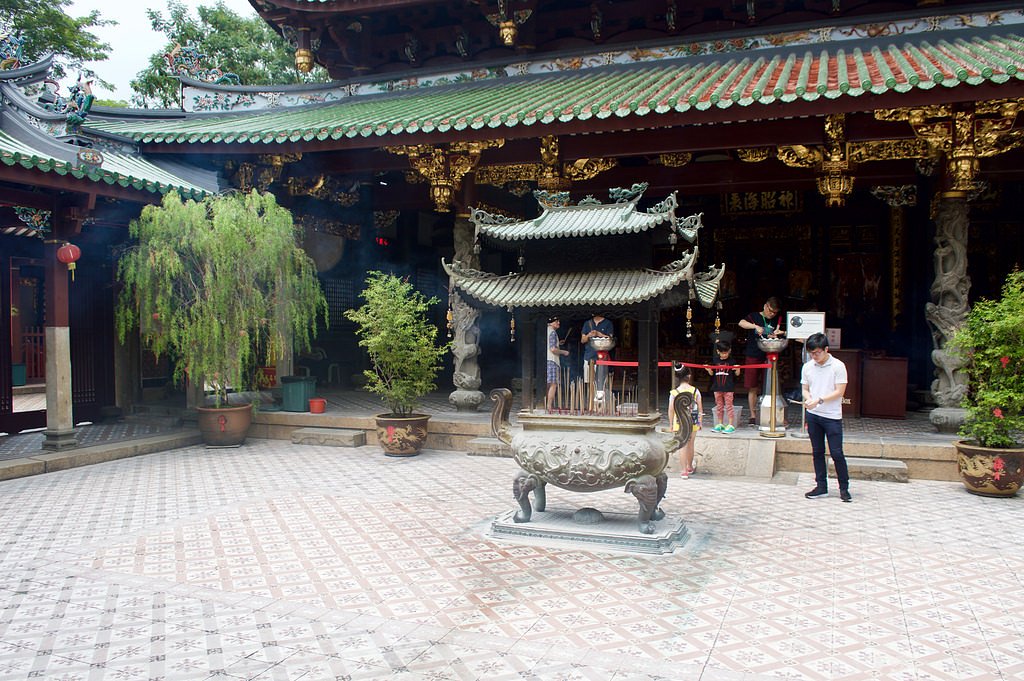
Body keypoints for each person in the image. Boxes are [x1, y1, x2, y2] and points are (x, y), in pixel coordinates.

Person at [801, 332, 851, 502]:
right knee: (817, 452)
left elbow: (839, 391)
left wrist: (819, 400)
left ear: (826, 349)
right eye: (811, 353)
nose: (814, 356)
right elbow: (805, 388)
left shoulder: (838, 366)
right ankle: (821, 486)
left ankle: (844, 488)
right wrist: (809, 399)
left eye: (817, 353)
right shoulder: (808, 367)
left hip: (832, 416)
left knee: (837, 453)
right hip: (813, 415)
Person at [738, 296, 785, 426]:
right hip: (753, 354)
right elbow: (741, 323)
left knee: (771, 386)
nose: (772, 314)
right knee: (752, 386)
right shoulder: (754, 316)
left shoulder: (777, 319)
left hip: (770, 355)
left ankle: (771, 414)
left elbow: (789, 332)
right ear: (765, 306)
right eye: (770, 311)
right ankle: (753, 415)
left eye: (775, 312)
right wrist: (755, 326)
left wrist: (780, 332)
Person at [668, 363, 702, 478]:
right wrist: (700, 422)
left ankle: (683, 471)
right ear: (689, 376)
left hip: (679, 422)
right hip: (693, 421)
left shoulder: (674, 393)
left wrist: (671, 424)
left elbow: (671, 410)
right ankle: (689, 466)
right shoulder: (695, 391)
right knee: (691, 444)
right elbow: (700, 409)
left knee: (682, 445)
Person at [706, 340, 741, 433]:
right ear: (718, 351)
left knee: (729, 406)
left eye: (726, 353)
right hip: (717, 387)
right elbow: (711, 374)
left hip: (728, 387)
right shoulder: (715, 360)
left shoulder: (732, 361)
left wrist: (738, 369)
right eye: (722, 353)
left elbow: (737, 374)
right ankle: (720, 424)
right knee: (719, 406)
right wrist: (709, 370)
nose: (724, 355)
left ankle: (730, 424)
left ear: (729, 351)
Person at [581, 313, 614, 395]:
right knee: (589, 381)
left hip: (602, 357)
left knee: (601, 381)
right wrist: (589, 335)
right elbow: (582, 340)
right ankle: (591, 398)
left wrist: (599, 334)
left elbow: (610, 340)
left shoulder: (608, 323)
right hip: (588, 356)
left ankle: (601, 398)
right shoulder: (587, 323)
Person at [545, 316, 569, 411]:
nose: (558, 323)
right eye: (556, 321)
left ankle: (545, 404)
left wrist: (559, 343)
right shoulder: (552, 332)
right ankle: (549, 406)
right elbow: (553, 349)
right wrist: (564, 352)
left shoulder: (546, 331)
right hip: (552, 360)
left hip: (546, 359)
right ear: (551, 323)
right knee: (553, 384)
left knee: (548, 383)